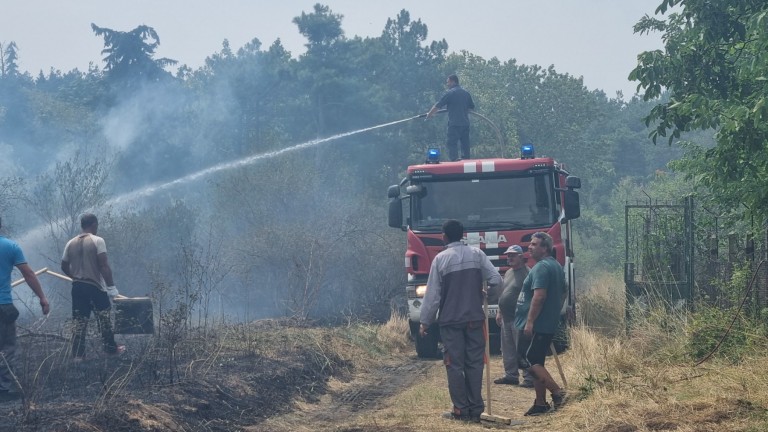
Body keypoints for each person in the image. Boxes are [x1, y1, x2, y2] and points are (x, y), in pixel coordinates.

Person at [419, 219, 502, 423]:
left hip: (451, 322)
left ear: (444, 236)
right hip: (474, 319)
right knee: (475, 363)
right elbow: (497, 281)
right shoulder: (477, 254)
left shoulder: (440, 259)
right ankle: (476, 409)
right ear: (463, 234)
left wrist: (425, 321)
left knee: (454, 365)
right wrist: (487, 297)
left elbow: (433, 296)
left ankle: (460, 409)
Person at [515, 232, 568, 415]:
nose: (529, 247)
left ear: (545, 248)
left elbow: (539, 296)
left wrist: (530, 322)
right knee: (537, 362)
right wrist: (555, 311)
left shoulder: (542, 267)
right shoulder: (555, 266)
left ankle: (558, 393)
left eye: (534, 244)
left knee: (528, 361)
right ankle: (540, 403)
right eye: (530, 244)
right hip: (546, 322)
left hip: (537, 325)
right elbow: (563, 292)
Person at [61, 213, 124, 360]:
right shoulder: (98, 240)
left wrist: (74, 277)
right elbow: (104, 265)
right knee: (104, 318)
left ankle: (78, 355)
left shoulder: (70, 243)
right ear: (94, 225)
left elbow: (63, 265)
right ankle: (110, 349)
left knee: (79, 321)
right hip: (95, 287)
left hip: (77, 288)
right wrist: (111, 287)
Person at [0, 216, 50, 400]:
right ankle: (3, 389)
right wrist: (42, 298)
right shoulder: (10, 246)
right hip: (3, 305)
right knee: (7, 347)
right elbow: (28, 274)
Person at [493, 245, 534, 387]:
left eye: (513, 255)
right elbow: (503, 293)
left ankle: (529, 378)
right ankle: (511, 376)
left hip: (520, 319)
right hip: (506, 317)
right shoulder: (509, 272)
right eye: (508, 255)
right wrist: (499, 311)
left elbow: (533, 296)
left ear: (521, 257)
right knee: (507, 349)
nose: (509, 258)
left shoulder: (528, 274)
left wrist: (529, 318)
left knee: (522, 350)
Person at [426, 74, 475, 161]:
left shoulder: (450, 93)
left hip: (454, 124)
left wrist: (429, 115)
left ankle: (454, 160)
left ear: (453, 81)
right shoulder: (466, 93)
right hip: (465, 124)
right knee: (465, 144)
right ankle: (466, 160)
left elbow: (438, 105)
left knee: (451, 143)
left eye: (448, 82)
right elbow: (471, 107)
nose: (447, 84)